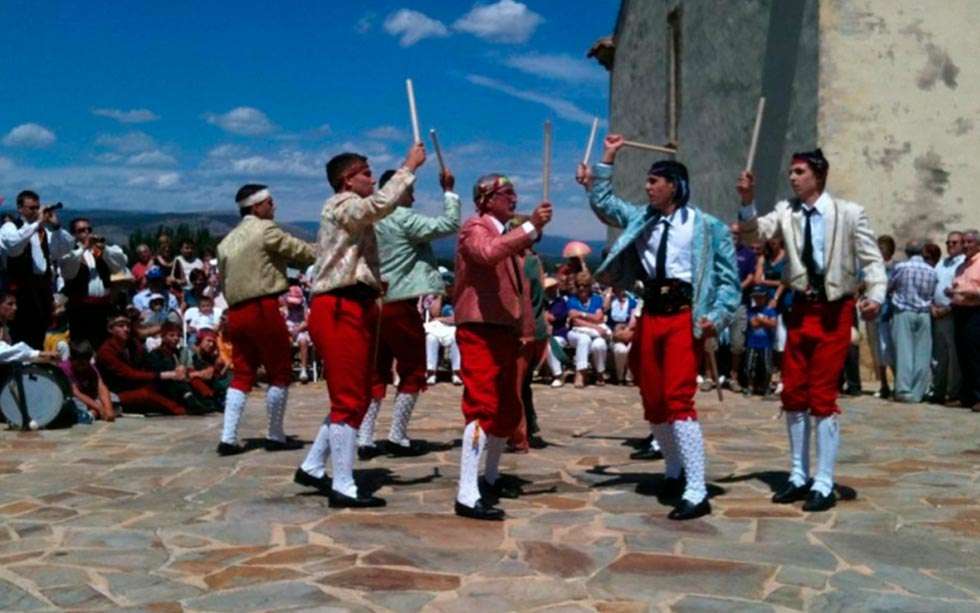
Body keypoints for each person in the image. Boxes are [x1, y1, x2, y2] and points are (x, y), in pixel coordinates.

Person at [579, 135, 739, 520]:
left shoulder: (708, 227)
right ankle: (673, 468)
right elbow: (603, 203)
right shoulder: (640, 218)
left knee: (678, 398)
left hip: (685, 317)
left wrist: (716, 317)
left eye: (655, 181)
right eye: (648, 181)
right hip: (651, 315)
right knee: (651, 396)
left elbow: (729, 281)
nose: (648, 187)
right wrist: (607, 159)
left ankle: (697, 489)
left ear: (675, 186)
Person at [737, 147, 886, 512]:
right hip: (800, 310)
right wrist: (747, 203)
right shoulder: (786, 212)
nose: (792, 177)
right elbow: (754, 235)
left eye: (799, 171)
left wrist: (877, 294)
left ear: (818, 176)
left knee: (822, 396)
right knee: (794, 393)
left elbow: (872, 259)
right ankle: (798, 474)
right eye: (791, 172)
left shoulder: (850, 214)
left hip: (835, 311)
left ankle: (824, 480)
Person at [294, 143, 425, 509]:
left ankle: (313, 465)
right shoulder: (342, 205)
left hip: (354, 304)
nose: (371, 177)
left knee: (355, 393)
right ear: (346, 180)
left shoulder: (349, 210)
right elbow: (376, 206)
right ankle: (344, 484)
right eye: (366, 172)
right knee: (350, 397)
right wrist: (407, 169)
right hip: (340, 307)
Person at [450, 172, 552, 520]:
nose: (514, 198)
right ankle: (467, 491)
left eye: (514, 192)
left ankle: (490, 476)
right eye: (507, 192)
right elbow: (485, 254)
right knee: (482, 405)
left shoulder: (507, 237)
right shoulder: (475, 227)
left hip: (504, 330)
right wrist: (529, 229)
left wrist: (526, 331)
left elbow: (521, 292)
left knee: (508, 406)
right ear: (487, 198)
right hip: (479, 327)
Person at [357, 164, 460, 460]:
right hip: (399, 302)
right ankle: (397, 434)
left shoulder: (368, 217)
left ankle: (365, 437)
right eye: (411, 192)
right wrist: (449, 191)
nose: (414, 199)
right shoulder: (403, 218)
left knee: (376, 370)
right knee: (413, 368)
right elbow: (448, 225)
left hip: (372, 301)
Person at [215, 183, 316, 456]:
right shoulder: (266, 230)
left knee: (243, 371)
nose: (274, 206)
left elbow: (223, 282)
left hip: (236, 310)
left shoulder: (226, 242)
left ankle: (228, 436)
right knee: (279, 370)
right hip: (263, 306)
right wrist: (327, 247)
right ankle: (274, 433)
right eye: (270, 202)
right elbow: (302, 252)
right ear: (257, 206)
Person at [0, 191, 73, 348]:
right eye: (32, 208)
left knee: (40, 332)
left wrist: (56, 227)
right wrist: (37, 223)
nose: (36, 211)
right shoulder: (10, 227)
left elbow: (64, 249)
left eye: (37, 207)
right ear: (20, 208)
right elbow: (14, 247)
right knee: (21, 333)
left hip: (42, 289)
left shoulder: (43, 232)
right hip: (22, 289)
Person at [96, 315, 188, 415]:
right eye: (121, 326)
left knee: (165, 384)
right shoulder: (106, 351)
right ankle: (179, 409)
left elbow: (146, 362)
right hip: (115, 392)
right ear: (111, 329)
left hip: (134, 386)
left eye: (127, 326)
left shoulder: (132, 344)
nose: (126, 329)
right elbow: (129, 374)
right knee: (146, 394)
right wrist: (163, 375)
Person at [60, 218, 129, 349]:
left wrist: (105, 249)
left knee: (103, 345)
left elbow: (120, 265)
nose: (86, 233)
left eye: (89, 230)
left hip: (103, 307)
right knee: (82, 346)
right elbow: (67, 270)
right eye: (81, 231)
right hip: (81, 308)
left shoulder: (101, 252)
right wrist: (84, 247)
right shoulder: (71, 252)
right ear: (74, 235)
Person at [888, 240, 938, 403]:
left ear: (907, 252)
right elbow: (932, 292)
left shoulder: (901, 267)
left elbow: (891, 286)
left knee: (904, 352)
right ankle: (918, 392)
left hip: (904, 311)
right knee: (922, 353)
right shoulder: (931, 270)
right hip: (924, 313)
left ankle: (904, 389)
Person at [147, 321, 217, 414]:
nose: (176, 338)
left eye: (178, 336)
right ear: (163, 337)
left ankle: (207, 399)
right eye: (171, 335)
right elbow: (161, 374)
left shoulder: (177, 352)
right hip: (165, 387)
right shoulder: (156, 354)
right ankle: (193, 402)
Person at [930, 231, 965, 405]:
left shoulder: (963, 264)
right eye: (948, 243)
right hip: (936, 313)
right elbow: (932, 284)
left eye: (955, 243)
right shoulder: (942, 263)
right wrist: (932, 306)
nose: (951, 246)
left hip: (952, 313)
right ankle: (938, 390)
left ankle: (953, 392)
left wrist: (946, 308)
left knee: (953, 357)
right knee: (939, 354)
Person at [948, 229, 980, 412]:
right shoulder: (962, 265)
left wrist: (970, 293)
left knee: (975, 355)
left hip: (975, 312)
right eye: (964, 242)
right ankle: (967, 396)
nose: (966, 245)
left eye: (970, 242)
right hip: (960, 311)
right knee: (963, 355)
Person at [566, 272, 610, 387]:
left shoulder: (596, 299)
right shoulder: (572, 300)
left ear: (589, 286)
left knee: (599, 344)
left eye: (585, 285)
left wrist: (581, 314)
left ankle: (600, 372)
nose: (582, 288)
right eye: (579, 285)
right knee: (584, 339)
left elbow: (599, 318)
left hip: (594, 333)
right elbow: (575, 321)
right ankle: (580, 373)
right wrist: (594, 325)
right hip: (576, 332)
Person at [867, 235, 897, 398]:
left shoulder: (895, 267)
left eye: (882, 248)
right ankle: (884, 384)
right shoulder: (871, 267)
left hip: (888, 314)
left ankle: (898, 382)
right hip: (874, 315)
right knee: (877, 351)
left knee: (889, 350)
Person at [60, 340, 115, 422]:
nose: (82, 367)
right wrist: (99, 408)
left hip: (89, 397)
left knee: (114, 397)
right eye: (79, 363)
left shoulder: (91, 367)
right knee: (73, 403)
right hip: (74, 397)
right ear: (71, 359)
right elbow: (75, 392)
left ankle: (94, 413)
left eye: (85, 363)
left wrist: (108, 409)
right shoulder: (64, 368)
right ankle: (92, 414)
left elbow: (101, 387)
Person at [744, 286, 778, 397]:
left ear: (765, 297)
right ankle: (750, 386)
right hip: (752, 342)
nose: (758, 299)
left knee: (767, 367)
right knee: (750, 366)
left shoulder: (770, 310)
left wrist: (761, 320)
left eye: (761, 297)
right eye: (756, 297)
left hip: (766, 343)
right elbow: (753, 323)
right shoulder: (751, 310)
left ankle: (766, 388)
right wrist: (765, 321)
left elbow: (773, 324)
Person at [423, 292, 462, 385]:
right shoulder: (433, 297)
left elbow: (457, 318)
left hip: (454, 327)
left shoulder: (459, 296)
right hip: (437, 327)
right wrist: (440, 296)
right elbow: (434, 314)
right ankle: (431, 372)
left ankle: (456, 372)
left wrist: (441, 319)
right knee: (431, 338)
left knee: (456, 337)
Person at [280, 284, 311, 382]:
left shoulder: (303, 307)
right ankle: (285, 369)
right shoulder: (283, 305)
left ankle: (303, 370)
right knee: (284, 341)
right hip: (287, 329)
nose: (294, 304)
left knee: (303, 340)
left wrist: (297, 329)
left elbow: (307, 321)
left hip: (300, 328)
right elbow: (279, 321)